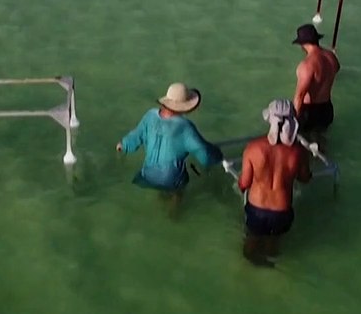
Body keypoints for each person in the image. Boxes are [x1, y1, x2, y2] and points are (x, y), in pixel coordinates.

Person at [117, 83, 222, 213]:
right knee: (178, 190)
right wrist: (218, 155)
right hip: (172, 180)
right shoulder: (185, 127)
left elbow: (136, 136)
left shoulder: (150, 116)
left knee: (159, 182)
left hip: (147, 175)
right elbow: (204, 155)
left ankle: (159, 201)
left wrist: (123, 144)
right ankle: (174, 211)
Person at [238, 99, 311, 266]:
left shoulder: (253, 148)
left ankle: (252, 267)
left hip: (257, 209)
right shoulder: (298, 152)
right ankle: (269, 265)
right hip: (282, 210)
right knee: (273, 244)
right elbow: (305, 178)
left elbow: (245, 183)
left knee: (250, 244)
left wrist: (240, 185)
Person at [292, 24, 340, 138]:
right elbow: (337, 68)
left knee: (303, 142)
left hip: (309, 112)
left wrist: (294, 119)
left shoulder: (306, 66)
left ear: (303, 44)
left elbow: (299, 96)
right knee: (322, 140)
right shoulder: (331, 57)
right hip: (327, 109)